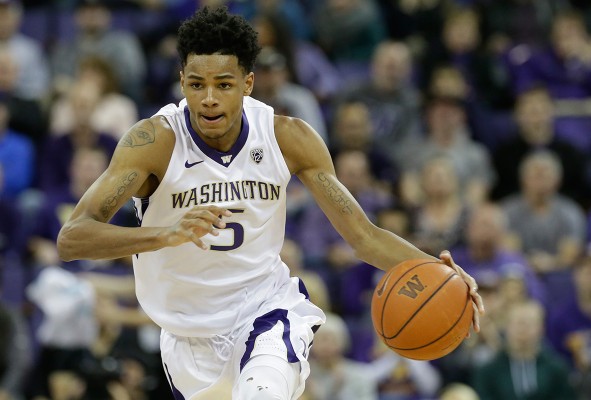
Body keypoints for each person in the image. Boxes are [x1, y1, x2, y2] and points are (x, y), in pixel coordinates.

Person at [56, 7, 483, 399]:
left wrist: (439, 272)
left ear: (247, 83)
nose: (209, 98)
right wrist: (164, 234)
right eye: (196, 84)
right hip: (187, 337)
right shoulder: (154, 141)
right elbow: (72, 238)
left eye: (223, 85)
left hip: (265, 311)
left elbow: (364, 237)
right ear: (181, 80)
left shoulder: (287, 137)